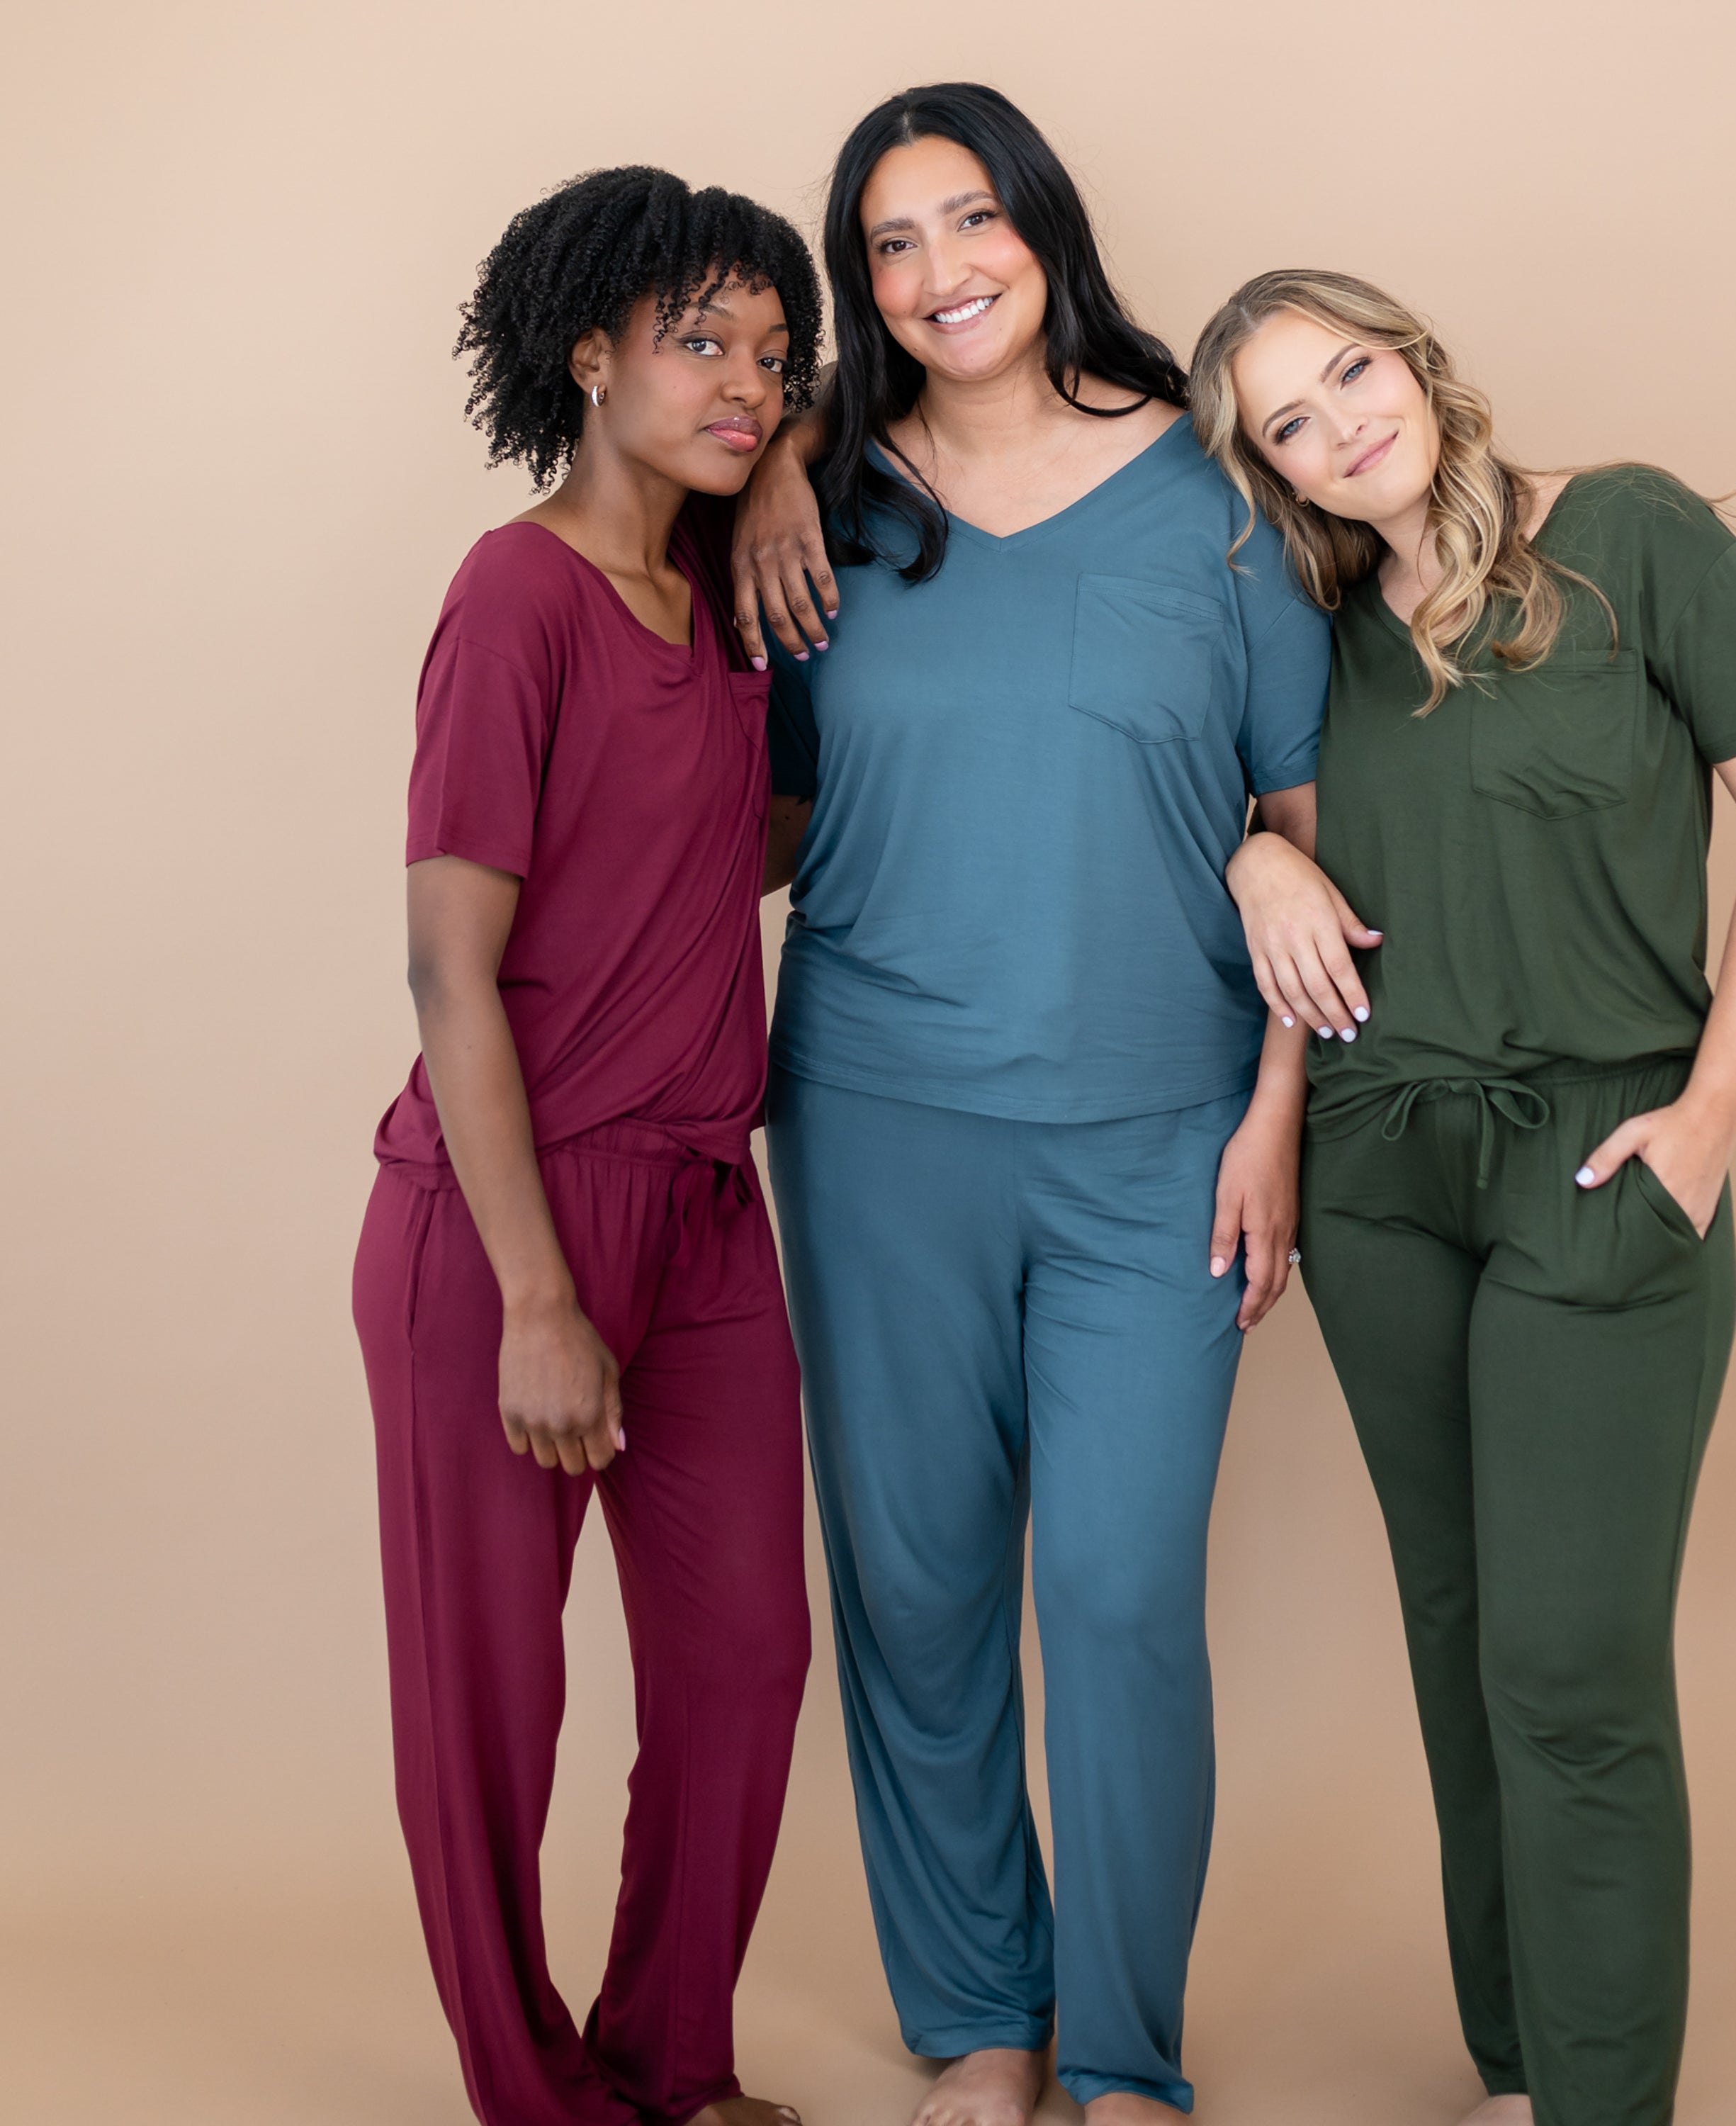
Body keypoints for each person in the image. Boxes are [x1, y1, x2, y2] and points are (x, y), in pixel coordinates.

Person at [1192, 269, 1736, 2126]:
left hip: (1601, 1151)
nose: (1342, 425)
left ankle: (1602, 2105)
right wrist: (1257, 853)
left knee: (1572, 1667)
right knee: (1461, 1633)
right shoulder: (1307, 633)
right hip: (1384, 1168)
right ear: (1272, 477)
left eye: (1349, 370)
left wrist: (1710, 1120)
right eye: (1290, 425)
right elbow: (1234, 809)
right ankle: (1520, 2069)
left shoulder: (1628, 536)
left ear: (1412, 353)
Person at [728, 84, 1329, 2126]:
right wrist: (780, 468)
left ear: (1043, 225)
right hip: (878, 1116)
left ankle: (1130, 2056)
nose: (938, 274)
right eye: (890, 245)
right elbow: (767, 814)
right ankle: (985, 2023)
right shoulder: (825, 509)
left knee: (1120, 1592)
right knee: (914, 1583)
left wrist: (1280, 1117)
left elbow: (1303, 835)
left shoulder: (1221, 502)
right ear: (857, 286)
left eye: (969, 222)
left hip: (1164, 1132)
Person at [350, 167, 823, 2126]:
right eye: (701, 341)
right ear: (590, 350)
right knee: (496, 1705)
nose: (740, 382)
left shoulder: (731, 597)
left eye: (771, 357)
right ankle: (530, 2096)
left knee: (744, 1665)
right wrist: (538, 1295)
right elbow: (448, 975)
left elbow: (769, 847)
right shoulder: (514, 592)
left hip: (711, 1210)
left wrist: (786, 460)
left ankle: (665, 2056)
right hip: (500, 1223)